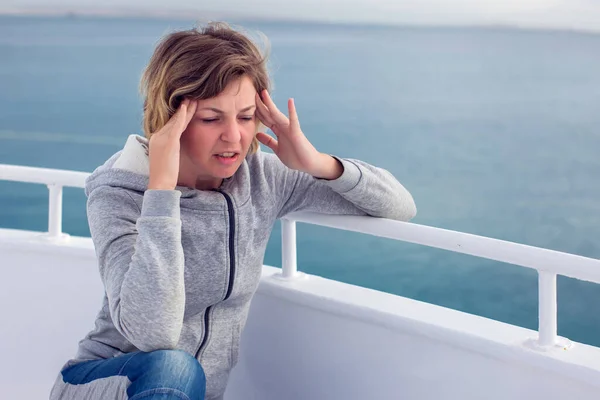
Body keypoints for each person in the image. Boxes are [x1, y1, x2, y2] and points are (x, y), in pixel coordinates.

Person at [49, 21, 417, 400]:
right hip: (107, 385)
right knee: (173, 366)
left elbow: (400, 205)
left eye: (245, 117)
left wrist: (316, 162)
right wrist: (161, 191)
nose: (234, 136)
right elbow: (153, 333)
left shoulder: (261, 179)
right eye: (211, 118)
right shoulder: (120, 190)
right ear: (170, 119)